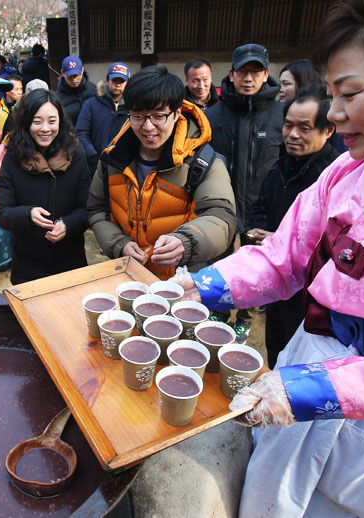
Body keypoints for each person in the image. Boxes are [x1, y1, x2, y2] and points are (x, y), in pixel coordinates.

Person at [174, 0, 364, 515]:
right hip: (309, 368)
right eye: (332, 94)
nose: (333, 113)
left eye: (350, 93)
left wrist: (311, 391)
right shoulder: (344, 175)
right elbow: (284, 258)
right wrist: (200, 288)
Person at [86, 65, 236, 280]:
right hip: (129, 276)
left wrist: (185, 242)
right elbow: (97, 208)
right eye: (137, 116)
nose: (147, 127)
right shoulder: (113, 158)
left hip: (181, 283)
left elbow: (221, 216)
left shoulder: (202, 161)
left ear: (176, 113)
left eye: (158, 116)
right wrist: (119, 244)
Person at [248, 83, 339, 366]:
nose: (293, 134)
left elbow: (333, 239)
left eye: (304, 127)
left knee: (301, 356)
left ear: (328, 130)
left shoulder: (332, 177)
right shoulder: (279, 167)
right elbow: (260, 206)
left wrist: (281, 240)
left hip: (310, 292)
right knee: (274, 344)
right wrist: (259, 233)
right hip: (276, 281)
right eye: (288, 126)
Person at [206, 43, 283, 342]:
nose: (248, 78)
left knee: (257, 270)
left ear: (265, 74)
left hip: (262, 211)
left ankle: (246, 317)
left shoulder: (280, 115)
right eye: (242, 72)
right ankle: (221, 312)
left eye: (255, 71)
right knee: (222, 266)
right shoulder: (214, 116)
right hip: (222, 208)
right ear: (232, 74)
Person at [0, 89, 90, 284]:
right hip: (28, 264)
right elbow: (0, 211)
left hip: (71, 261)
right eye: (37, 122)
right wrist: (28, 214)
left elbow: (88, 207)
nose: (45, 128)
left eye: (52, 121)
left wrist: (68, 225)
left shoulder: (75, 152)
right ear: (26, 122)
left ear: (60, 122)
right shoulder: (13, 156)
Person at [75, 62, 130, 172]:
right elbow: (81, 133)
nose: (117, 84)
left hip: (123, 166)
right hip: (94, 166)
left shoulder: (133, 107)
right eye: (114, 80)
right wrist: (93, 156)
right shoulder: (91, 104)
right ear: (107, 81)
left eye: (121, 81)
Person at [55, 55, 97, 127]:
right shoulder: (57, 98)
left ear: (82, 70)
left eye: (76, 75)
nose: (73, 79)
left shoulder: (93, 90)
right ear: (63, 73)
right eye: (70, 76)